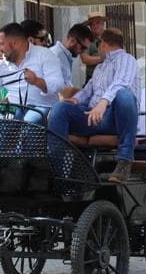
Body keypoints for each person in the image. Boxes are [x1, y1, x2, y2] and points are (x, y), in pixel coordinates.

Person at [48, 27, 140, 184]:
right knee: (60, 108)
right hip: (92, 116)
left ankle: (124, 161)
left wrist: (103, 103)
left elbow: (121, 82)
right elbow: (88, 90)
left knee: (123, 94)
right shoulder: (100, 67)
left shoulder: (127, 59)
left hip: (115, 117)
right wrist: (76, 100)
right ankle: (55, 168)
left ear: (103, 44)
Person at [0, 22, 64, 125]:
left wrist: (37, 81)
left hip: (41, 106)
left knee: (30, 121)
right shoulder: (4, 63)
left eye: (1, 44)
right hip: (14, 107)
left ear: (15, 43)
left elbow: (58, 85)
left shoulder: (45, 55)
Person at [80, 11, 107, 84]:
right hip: (92, 79)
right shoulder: (86, 40)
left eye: (98, 22)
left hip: (109, 78)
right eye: (92, 24)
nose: (95, 26)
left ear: (103, 24)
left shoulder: (110, 37)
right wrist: (103, 59)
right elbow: (84, 59)